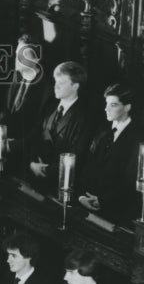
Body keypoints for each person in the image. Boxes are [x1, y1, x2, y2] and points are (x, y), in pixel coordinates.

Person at [78, 84, 144, 224]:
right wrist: (82, 196)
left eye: (113, 105)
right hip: (87, 203)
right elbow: (88, 165)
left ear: (127, 107)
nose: (106, 109)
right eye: (107, 104)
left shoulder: (139, 138)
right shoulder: (103, 130)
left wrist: (102, 201)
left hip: (114, 212)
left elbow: (130, 181)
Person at [28, 61, 94, 190]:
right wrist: (32, 163)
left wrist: (46, 170)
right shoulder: (50, 106)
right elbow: (35, 135)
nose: (56, 86)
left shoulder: (84, 117)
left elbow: (77, 154)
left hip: (60, 183)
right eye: (55, 81)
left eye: (61, 83)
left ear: (75, 86)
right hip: (34, 174)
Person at [0, 34, 51, 175]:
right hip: (4, 143)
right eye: (16, 54)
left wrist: (13, 145)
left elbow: (40, 126)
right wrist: (1, 136)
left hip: (26, 152)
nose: (17, 59)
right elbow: (6, 110)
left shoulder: (47, 88)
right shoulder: (15, 77)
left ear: (36, 59)